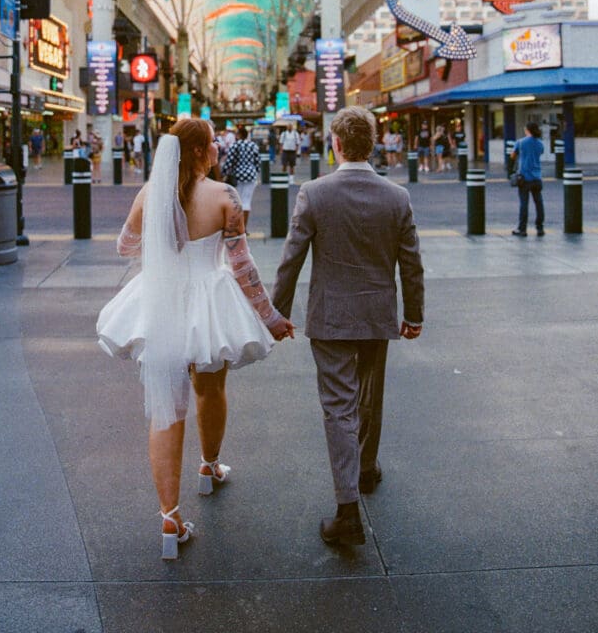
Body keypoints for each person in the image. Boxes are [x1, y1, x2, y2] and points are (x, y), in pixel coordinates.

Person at [96, 118, 294, 559]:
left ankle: (170, 517)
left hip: (161, 303)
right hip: (209, 305)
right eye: (215, 145)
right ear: (204, 151)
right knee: (212, 387)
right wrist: (271, 318)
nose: (219, 151)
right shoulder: (225, 198)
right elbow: (243, 269)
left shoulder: (150, 194)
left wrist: (162, 244)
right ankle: (209, 467)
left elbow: (125, 247)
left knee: (166, 408)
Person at [272, 106, 425, 547]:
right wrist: (413, 314)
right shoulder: (397, 197)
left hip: (331, 316)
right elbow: (411, 264)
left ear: (336, 144)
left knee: (338, 405)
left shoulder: (314, 193)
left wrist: (278, 313)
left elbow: (292, 258)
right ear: (373, 145)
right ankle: (366, 469)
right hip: (378, 314)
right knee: (369, 395)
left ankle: (346, 509)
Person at [222, 124, 261, 231]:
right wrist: (255, 172)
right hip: (251, 176)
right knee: (247, 201)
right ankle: (244, 228)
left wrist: (223, 173)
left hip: (238, 176)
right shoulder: (253, 145)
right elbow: (258, 162)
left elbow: (229, 162)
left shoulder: (235, 146)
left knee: (237, 202)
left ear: (239, 135)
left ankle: (238, 227)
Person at [510, 121, 545, 237]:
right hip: (537, 177)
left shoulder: (520, 142)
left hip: (524, 178)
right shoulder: (540, 144)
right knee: (538, 203)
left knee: (524, 204)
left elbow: (512, 156)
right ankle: (540, 228)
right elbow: (540, 153)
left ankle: (522, 229)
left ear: (527, 130)